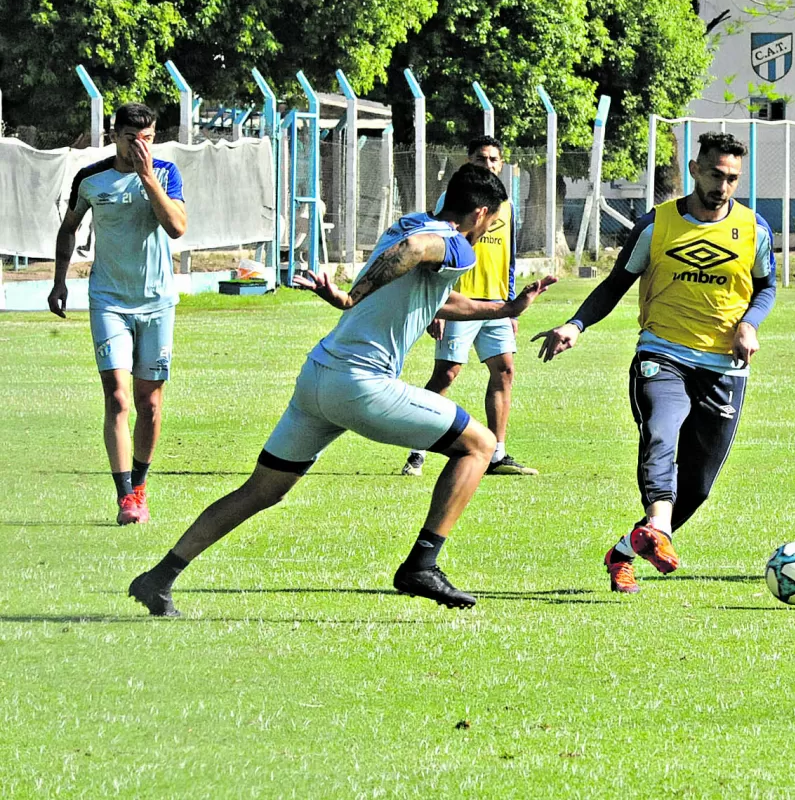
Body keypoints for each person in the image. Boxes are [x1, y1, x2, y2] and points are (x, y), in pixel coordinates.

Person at [127, 166, 554, 616]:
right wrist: (353, 296)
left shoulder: (407, 222)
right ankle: (422, 565)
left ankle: (160, 577)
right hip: (360, 384)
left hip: (318, 378)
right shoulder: (451, 244)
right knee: (481, 446)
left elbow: (437, 296)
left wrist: (506, 307)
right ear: (481, 214)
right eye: (492, 222)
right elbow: (415, 252)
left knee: (261, 490)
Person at [531, 132, 776, 594]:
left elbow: (765, 287)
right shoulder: (657, 225)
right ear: (695, 170)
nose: (723, 186)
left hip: (724, 368)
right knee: (661, 431)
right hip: (662, 354)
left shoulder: (754, 230)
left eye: (732, 179)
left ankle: (626, 549)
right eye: (716, 174)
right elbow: (615, 284)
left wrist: (750, 324)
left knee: (698, 487)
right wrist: (575, 325)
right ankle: (659, 524)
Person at [47, 103, 188, 525]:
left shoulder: (165, 174)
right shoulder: (90, 178)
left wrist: (147, 179)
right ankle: (126, 497)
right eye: (132, 137)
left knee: (151, 403)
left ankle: (141, 487)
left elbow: (177, 227)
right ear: (115, 136)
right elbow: (69, 227)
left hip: (158, 302)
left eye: (148, 138)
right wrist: (59, 281)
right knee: (118, 397)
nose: (140, 145)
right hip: (108, 300)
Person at [401, 137, 536, 478]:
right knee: (446, 374)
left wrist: (509, 305)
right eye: (481, 159)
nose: (488, 164)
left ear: (502, 165)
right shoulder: (454, 200)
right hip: (461, 303)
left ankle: (497, 454)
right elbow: (437, 249)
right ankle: (417, 450)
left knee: (504, 370)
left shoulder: (505, 204)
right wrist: (436, 306)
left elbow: (509, 254)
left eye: (493, 159)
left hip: (494, 303)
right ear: (468, 161)